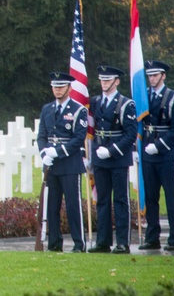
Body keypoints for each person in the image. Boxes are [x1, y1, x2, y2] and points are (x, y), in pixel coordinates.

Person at [87, 65, 137, 254]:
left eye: (108, 80)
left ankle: (123, 242)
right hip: (100, 157)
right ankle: (103, 241)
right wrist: (91, 154)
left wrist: (112, 150)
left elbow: (131, 133)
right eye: (102, 80)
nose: (104, 83)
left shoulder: (126, 104)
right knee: (103, 201)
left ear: (117, 81)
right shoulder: (95, 102)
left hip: (117, 158)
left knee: (121, 200)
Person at [36, 71, 88, 253]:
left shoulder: (79, 110)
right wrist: (44, 153)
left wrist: (57, 152)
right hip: (51, 165)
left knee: (73, 206)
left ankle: (79, 243)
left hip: (70, 165)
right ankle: (54, 242)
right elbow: (41, 135)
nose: (57, 90)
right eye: (55, 86)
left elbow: (78, 138)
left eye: (61, 86)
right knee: (52, 207)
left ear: (69, 88)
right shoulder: (47, 109)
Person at [138, 60, 174, 251]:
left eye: (155, 75)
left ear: (163, 76)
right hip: (148, 152)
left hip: (167, 153)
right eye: (149, 75)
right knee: (151, 197)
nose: (152, 79)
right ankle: (152, 237)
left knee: (171, 197)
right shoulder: (143, 97)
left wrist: (159, 146)